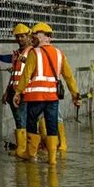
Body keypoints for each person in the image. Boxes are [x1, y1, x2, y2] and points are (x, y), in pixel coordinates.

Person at [12, 23, 82, 165]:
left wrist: (18, 92)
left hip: (36, 97)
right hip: (52, 98)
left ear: (45, 36)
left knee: (31, 123)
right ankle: (52, 159)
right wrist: (76, 95)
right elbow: (68, 77)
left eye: (35, 36)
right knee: (51, 125)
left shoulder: (34, 53)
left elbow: (26, 75)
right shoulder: (59, 54)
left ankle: (31, 153)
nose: (33, 39)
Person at [0, 23, 33, 154]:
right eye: (17, 37)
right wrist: (7, 91)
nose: (19, 39)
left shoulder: (31, 52)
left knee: (21, 119)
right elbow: (14, 72)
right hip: (15, 90)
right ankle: (26, 148)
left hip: (24, 92)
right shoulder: (17, 53)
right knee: (21, 119)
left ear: (28, 36)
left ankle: (23, 149)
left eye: (22, 36)